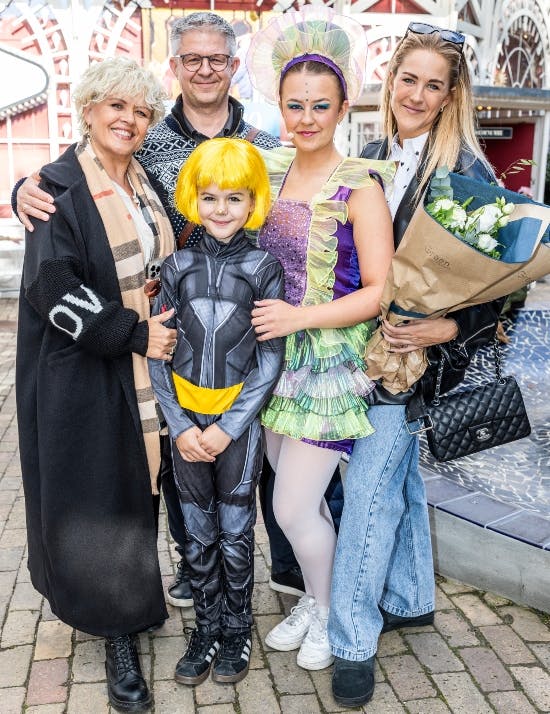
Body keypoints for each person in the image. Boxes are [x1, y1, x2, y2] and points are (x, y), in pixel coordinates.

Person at [12, 11, 308, 605]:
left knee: (251, 457)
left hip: (251, 327)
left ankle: (284, 562)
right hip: (163, 343)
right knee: (174, 462)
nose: (204, 69)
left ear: (232, 67)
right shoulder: (149, 146)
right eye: (191, 59)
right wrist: (26, 187)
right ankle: (188, 563)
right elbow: (76, 210)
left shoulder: (268, 147)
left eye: (217, 59)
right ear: (174, 67)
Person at [328, 22, 503, 707]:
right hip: (361, 352)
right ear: (390, 80)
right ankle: (408, 595)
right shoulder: (367, 155)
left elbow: (505, 279)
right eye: (409, 79)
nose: (418, 95)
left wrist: (451, 323)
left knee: (368, 491)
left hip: (416, 359)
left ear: (450, 92)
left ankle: (351, 640)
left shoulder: (467, 170)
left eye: (435, 84)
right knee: (394, 480)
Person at [16, 57, 176, 712]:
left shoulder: (144, 183)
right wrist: (135, 334)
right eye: (116, 106)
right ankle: (115, 638)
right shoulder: (55, 187)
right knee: (99, 498)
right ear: (88, 109)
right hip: (80, 371)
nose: (128, 120)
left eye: (140, 112)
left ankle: (134, 602)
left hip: (140, 372)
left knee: (135, 489)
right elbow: (52, 291)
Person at [246, 7, 395, 671]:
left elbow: (378, 292)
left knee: (291, 503)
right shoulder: (267, 167)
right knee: (289, 493)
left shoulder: (361, 187)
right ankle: (315, 596)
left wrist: (298, 319)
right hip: (270, 359)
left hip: (325, 363)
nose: (307, 118)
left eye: (321, 106)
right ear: (278, 102)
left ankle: (331, 615)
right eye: (295, 104)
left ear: (342, 107)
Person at [148, 137, 285, 685]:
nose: (221, 209)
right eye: (210, 197)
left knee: (235, 532)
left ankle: (235, 631)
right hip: (186, 427)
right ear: (192, 198)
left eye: (234, 197)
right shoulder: (175, 265)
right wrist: (180, 426)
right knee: (197, 535)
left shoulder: (263, 267)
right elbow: (159, 350)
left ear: (253, 201)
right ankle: (204, 629)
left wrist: (229, 429)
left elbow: (270, 356)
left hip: (238, 429)